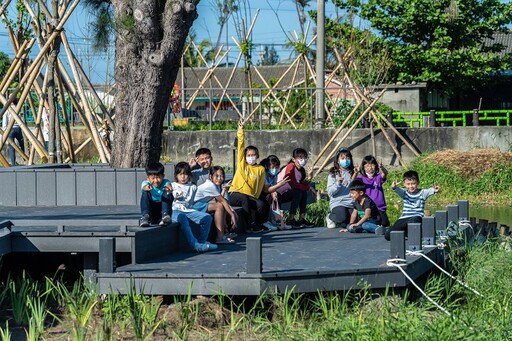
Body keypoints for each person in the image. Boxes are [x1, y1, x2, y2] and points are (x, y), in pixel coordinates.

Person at [228, 119, 268, 233]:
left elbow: (259, 187)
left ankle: (258, 224)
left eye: (254, 155)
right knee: (244, 198)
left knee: (260, 204)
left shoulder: (260, 169)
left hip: (250, 196)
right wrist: (241, 130)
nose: (251, 157)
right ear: (245, 157)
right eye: (249, 155)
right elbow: (240, 146)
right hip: (235, 193)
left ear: (257, 156)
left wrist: (256, 197)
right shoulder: (242, 165)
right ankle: (249, 224)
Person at [170, 162, 218, 252]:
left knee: (207, 217)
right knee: (183, 218)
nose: (183, 177)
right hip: (175, 210)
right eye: (180, 174)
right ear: (176, 175)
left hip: (188, 210)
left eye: (186, 174)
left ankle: (202, 242)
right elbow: (170, 195)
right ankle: (194, 244)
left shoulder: (193, 187)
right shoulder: (172, 186)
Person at [384, 170, 439, 241]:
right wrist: (394, 187)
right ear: (404, 184)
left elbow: (431, 190)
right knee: (388, 235)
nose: (411, 186)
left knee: (413, 220)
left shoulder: (422, 193)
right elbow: (397, 190)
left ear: (418, 183)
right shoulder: (404, 193)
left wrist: (435, 190)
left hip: (416, 217)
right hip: (404, 218)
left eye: (413, 184)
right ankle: (406, 233)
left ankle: (413, 233)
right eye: (408, 184)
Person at [194, 166, 238, 244]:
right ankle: (219, 238)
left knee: (221, 205)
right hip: (194, 206)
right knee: (220, 206)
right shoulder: (210, 185)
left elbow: (219, 200)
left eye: (221, 176)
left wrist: (224, 189)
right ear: (210, 177)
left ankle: (224, 233)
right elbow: (222, 201)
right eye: (216, 176)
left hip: (200, 204)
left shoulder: (216, 186)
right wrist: (232, 215)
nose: (219, 178)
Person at [276, 148, 315, 228]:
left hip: (289, 192)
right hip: (279, 194)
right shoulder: (291, 167)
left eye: (304, 158)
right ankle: (291, 219)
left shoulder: (301, 171)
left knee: (302, 193)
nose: (303, 160)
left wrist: (310, 177)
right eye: (300, 158)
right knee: (298, 192)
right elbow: (293, 184)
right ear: (294, 159)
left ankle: (301, 218)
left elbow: (301, 184)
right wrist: (308, 187)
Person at [355, 155, 390, 227]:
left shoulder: (378, 177)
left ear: (375, 166)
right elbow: (353, 182)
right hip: (368, 209)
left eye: (372, 165)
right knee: (368, 224)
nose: (370, 168)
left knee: (385, 224)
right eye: (367, 166)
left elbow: (385, 173)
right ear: (363, 168)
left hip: (380, 208)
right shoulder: (361, 178)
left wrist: (382, 168)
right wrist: (356, 173)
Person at [326, 148, 356, 229]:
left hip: (350, 202)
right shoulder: (333, 174)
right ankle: (330, 217)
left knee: (352, 221)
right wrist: (338, 183)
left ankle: (343, 222)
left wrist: (356, 174)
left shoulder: (353, 173)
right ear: (338, 161)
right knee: (342, 217)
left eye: (347, 158)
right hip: (338, 202)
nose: (345, 160)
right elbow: (330, 192)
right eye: (342, 158)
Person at [259, 155, 291, 230]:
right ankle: (265, 221)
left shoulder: (274, 175)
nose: (275, 169)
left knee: (278, 195)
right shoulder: (264, 173)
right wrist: (279, 185)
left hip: (268, 191)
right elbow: (266, 189)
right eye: (272, 167)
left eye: (276, 167)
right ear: (267, 167)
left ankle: (279, 220)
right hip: (260, 193)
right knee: (268, 196)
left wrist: (274, 191)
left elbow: (273, 187)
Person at [139, 162, 173, 227]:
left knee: (167, 192)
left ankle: (165, 215)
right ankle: (145, 216)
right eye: (153, 178)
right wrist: (146, 187)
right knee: (145, 193)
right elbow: (144, 187)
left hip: (162, 210)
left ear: (163, 176)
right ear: (148, 178)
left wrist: (169, 188)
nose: (156, 181)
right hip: (151, 211)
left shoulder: (165, 182)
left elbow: (168, 185)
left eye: (158, 177)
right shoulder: (145, 183)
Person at [1, 98, 24, 166]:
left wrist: (4, 130)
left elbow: (5, 121)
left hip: (10, 129)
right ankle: (25, 157)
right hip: (18, 128)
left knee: (11, 147)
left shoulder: (7, 109)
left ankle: (13, 163)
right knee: (21, 143)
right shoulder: (18, 107)